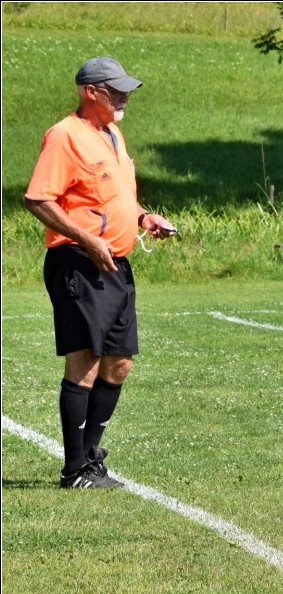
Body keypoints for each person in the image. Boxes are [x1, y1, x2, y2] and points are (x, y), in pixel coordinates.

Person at [24, 56, 177, 489]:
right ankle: (75, 469)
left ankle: (90, 459)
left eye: (127, 90)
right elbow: (37, 199)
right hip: (79, 262)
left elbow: (114, 195)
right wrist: (87, 239)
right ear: (90, 91)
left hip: (116, 265)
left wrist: (144, 217)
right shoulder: (65, 136)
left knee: (119, 364)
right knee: (86, 363)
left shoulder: (112, 133)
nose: (125, 97)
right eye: (116, 91)